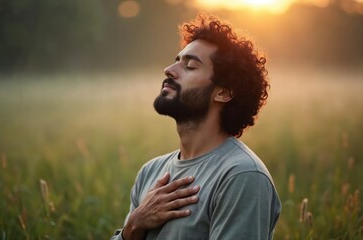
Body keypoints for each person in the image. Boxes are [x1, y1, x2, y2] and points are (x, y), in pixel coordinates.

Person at [111, 13, 281, 240]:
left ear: (223, 92)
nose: (169, 70)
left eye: (190, 66)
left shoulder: (242, 176)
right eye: (176, 61)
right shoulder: (150, 171)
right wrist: (134, 226)